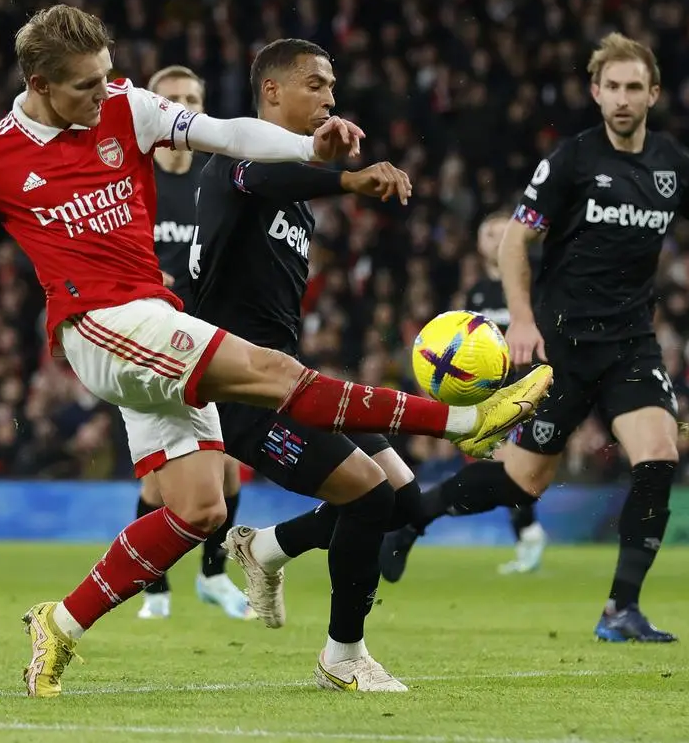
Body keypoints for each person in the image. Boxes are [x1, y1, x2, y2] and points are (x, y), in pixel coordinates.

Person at [0, 5, 551, 697]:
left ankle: (61, 620)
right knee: (274, 373)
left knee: (200, 509)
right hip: (98, 325)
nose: (102, 92)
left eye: (106, 74)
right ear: (39, 85)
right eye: (85, 84)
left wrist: (310, 148)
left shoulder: (126, 107)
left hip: (153, 321)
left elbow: (229, 133)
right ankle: (462, 421)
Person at [192, 38, 530, 692]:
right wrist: (346, 177)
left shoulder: (288, 186)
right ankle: (342, 657)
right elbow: (265, 172)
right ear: (272, 93)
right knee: (367, 494)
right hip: (239, 390)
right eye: (316, 85)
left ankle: (267, 547)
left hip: (283, 375)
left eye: (332, 87)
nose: (330, 98)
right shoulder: (236, 158)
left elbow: (286, 178)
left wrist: (324, 164)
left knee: (401, 498)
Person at [383, 33, 689, 642]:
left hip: (631, 343)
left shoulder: (675, 167)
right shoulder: (572, 161)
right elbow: (515, 239)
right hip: (562, 346)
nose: (624, 99)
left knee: (658, 455)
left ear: (653, 94)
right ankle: (415, 517)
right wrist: (521, 320)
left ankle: (620, 609)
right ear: (596, 92)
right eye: (613, 87)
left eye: (636, 88)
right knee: (522, 482)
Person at [136, 64, 252, 622]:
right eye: (171, 99)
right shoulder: (133, 179)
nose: (182, 107)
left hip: (207, 339)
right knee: (162, 483)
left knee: (227, 468)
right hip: (146, 344)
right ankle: (154, 587)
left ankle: (212, 575)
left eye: (191, 98)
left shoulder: (216, 180)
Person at [378, 212, 549, 580]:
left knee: (511, 470)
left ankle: (525, 532)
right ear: (479, 242)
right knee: (508, 470)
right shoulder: (476, 294)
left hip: (531, 389)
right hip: (488, 397)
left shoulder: (535, 282)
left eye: (504, 233)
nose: (496, 240)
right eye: (489, 233)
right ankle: (526, 533)